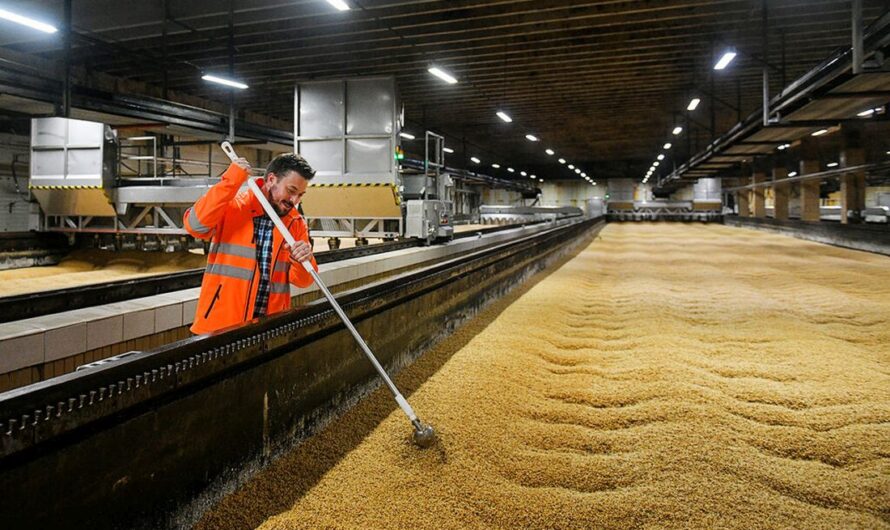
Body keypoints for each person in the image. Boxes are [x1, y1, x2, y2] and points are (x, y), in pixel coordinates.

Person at [184, 152, 318, 335]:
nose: (294, 201)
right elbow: (194, 226)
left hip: (269, 329)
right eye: (291, 191)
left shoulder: (295, 223)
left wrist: (304, 259)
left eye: (300, 195)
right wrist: (231, 181)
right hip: (220, 327)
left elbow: (304, 281)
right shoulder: (233, 207)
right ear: (271, 180)